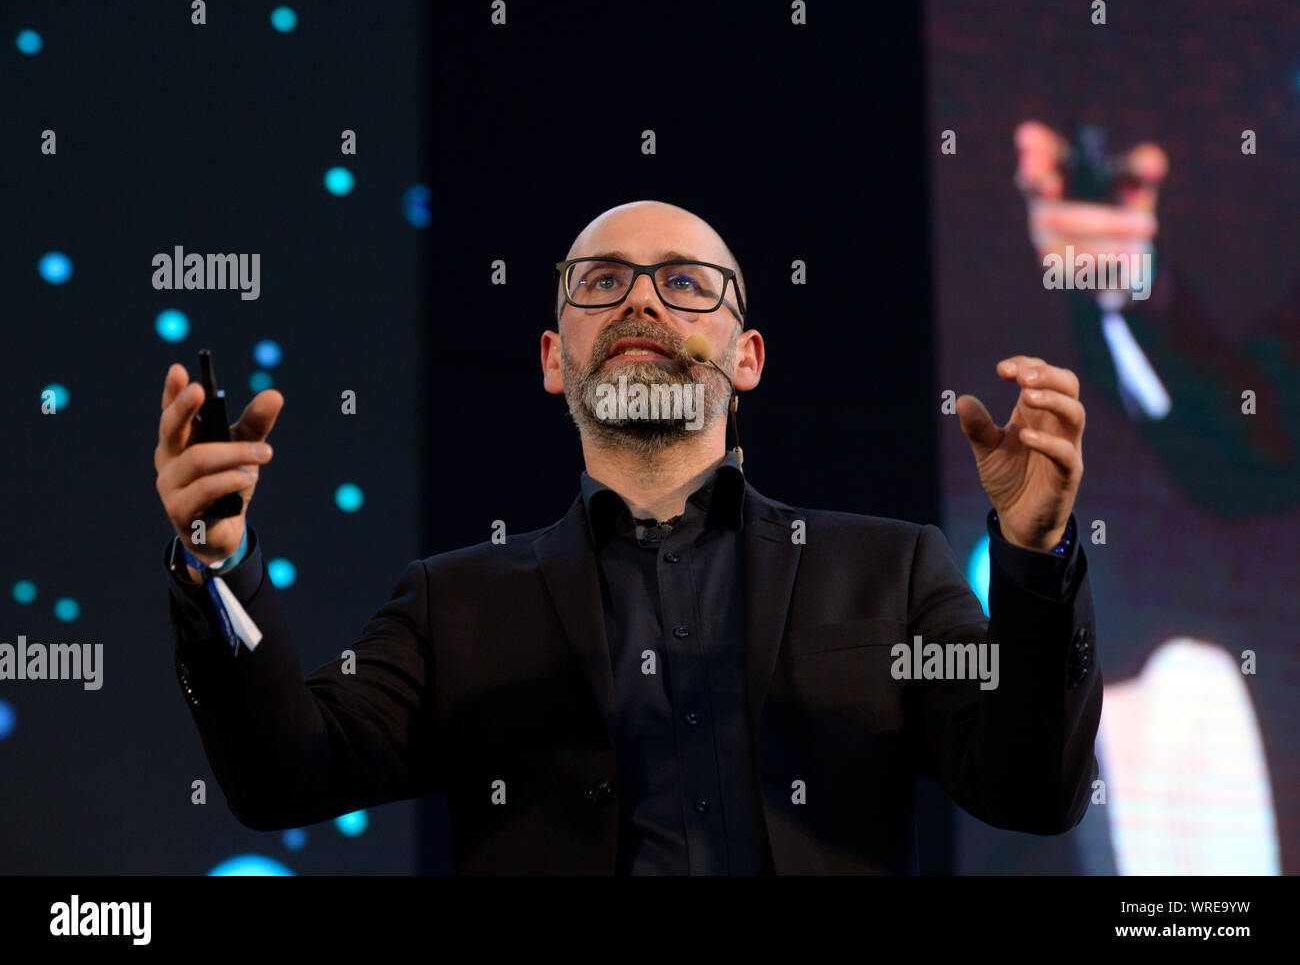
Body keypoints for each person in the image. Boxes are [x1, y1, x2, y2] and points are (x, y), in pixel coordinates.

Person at [154, 199, 1101, 875]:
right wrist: (218, 560)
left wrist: (1034, 554)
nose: (642, 302)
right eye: (603, 282)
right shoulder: (458, 603)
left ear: (747, 357)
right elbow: (288, 774)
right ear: (553, 362)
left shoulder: (890, 573)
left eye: (684, 283)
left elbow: (1033, 791)